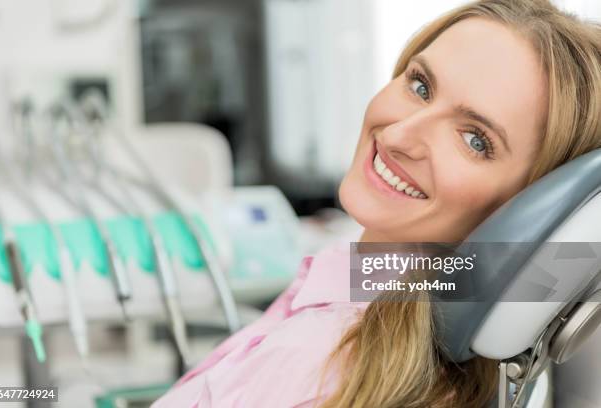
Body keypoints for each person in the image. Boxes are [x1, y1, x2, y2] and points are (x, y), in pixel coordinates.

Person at [152, 0, 601, 407]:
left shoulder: (321, 364)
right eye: (421, 86)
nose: (399, 135)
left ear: (529, 211)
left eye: (475, 140)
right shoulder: (344, 296)